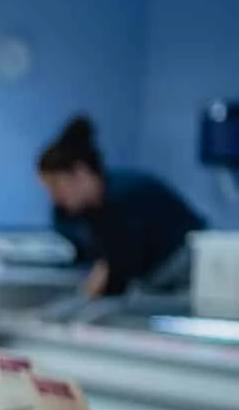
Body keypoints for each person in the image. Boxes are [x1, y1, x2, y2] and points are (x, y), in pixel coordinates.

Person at [38, 115, 207, 299]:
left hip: (185, 272)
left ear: (81, 173)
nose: (54, 196)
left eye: (56, 185)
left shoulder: (124, 199)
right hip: (154, 279)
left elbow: (117, 272)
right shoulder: (87, 211)